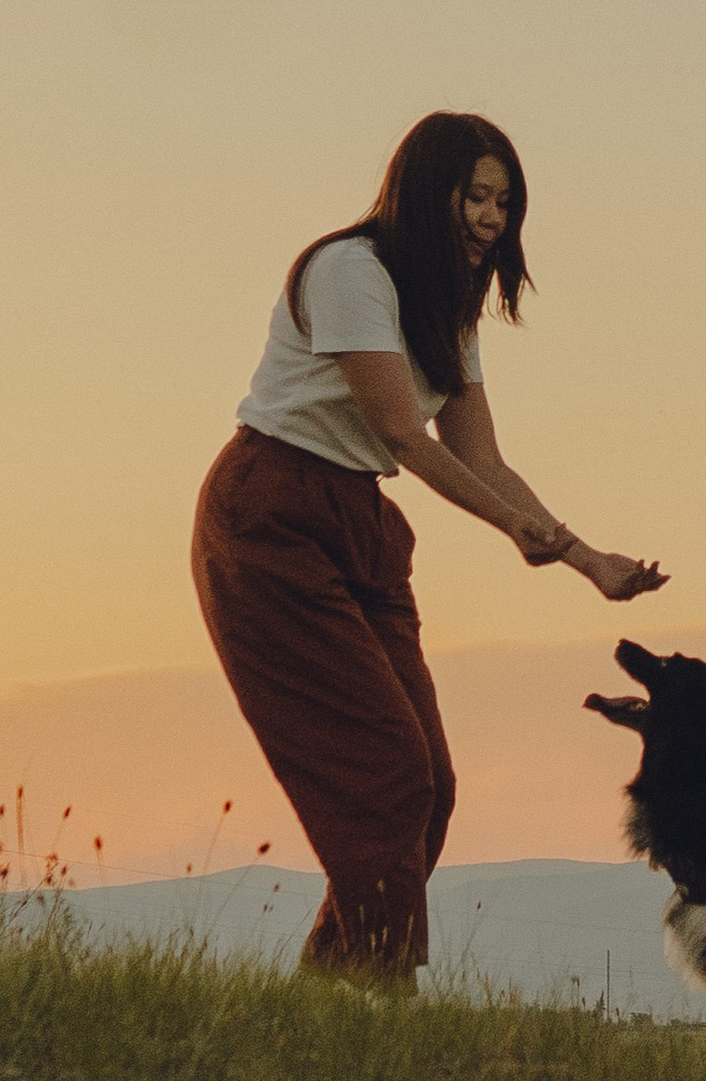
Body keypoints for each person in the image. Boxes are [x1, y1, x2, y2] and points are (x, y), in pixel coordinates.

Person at [192, 110, 666, 983]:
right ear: (425, 191)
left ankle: (332, 1001)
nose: (492, 218)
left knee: (429, 785)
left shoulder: (451, 311)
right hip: (273, 511)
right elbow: (408, 437)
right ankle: (382, 996)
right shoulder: (349, 271)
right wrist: (513, 528)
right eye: (476, 196)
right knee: (384, 772)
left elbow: (480, 455)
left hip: (364, 523)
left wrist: (586, 559)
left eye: (505, 203)